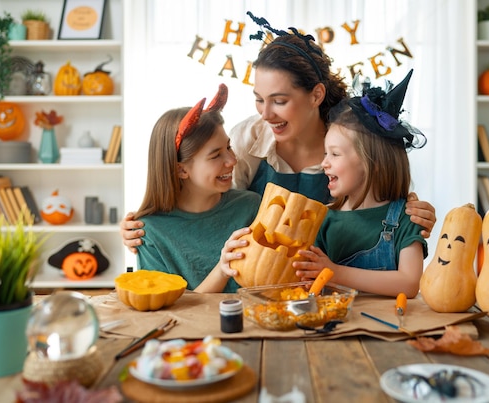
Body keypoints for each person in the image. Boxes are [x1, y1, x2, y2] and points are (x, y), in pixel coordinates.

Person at [120, 13, 436, 252]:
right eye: (259, 99)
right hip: (261, 282)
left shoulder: (352, 139)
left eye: (279, 101)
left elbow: (384, 210)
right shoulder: (246, 139)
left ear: (316, 95)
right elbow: (207, 207)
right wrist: (148, 225)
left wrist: (413, 215)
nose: (266, 114)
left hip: (337, 275)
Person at [291, 70, 428, 298]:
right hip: (335, 328)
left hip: (391, 328)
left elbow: (409, 283)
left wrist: (335, 272)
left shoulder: (406, 217)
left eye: (335, 154)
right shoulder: (323, 220)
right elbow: (310, 285)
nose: (324, 163)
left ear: (371, 163)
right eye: (325, 153)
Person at [133, 84, 260, 293]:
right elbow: (170, 312)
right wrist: (222, 269)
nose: (232, 160)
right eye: (215, 155)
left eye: (228, 147)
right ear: (181, 170)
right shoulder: (149, 232)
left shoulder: (251, 206)